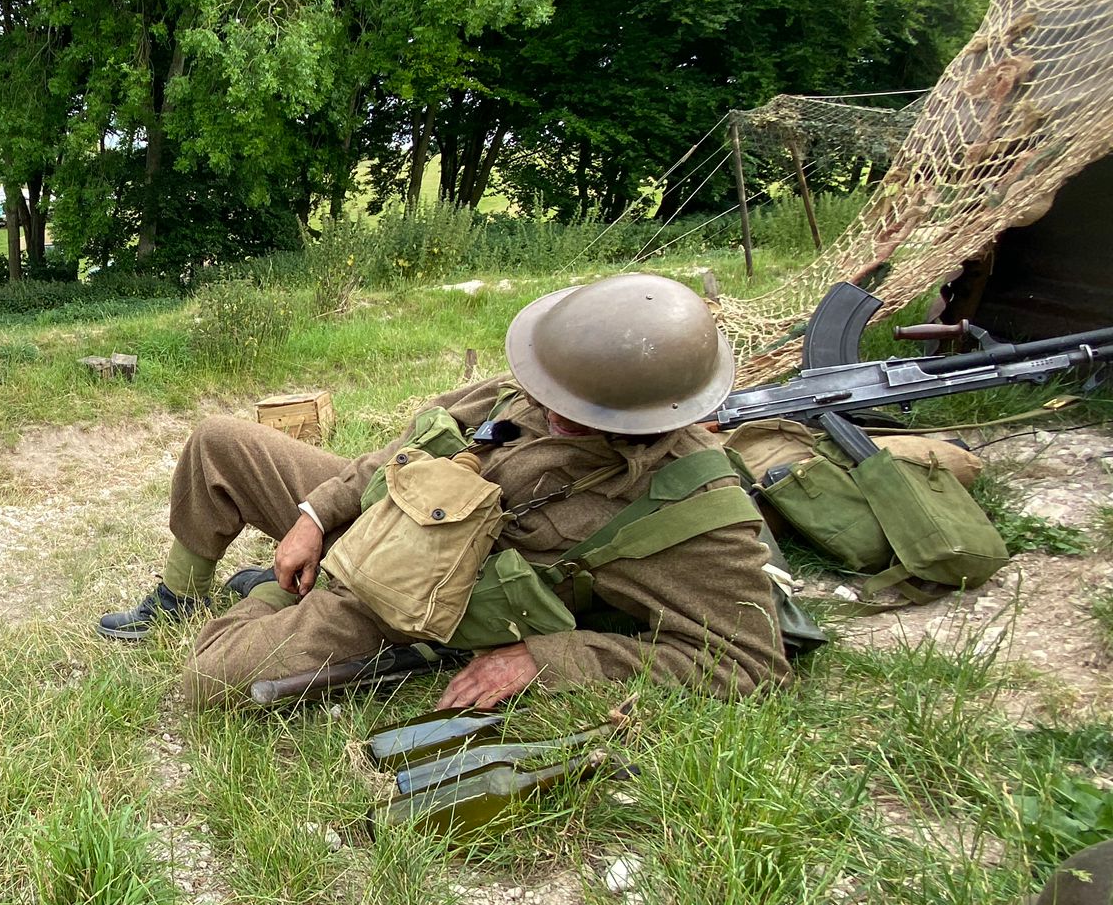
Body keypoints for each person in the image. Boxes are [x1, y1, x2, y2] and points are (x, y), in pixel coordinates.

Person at [97, 273, 791, 709]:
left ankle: (271, 592)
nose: (549, 408)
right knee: (219, 441)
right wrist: (316, 514)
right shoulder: (543, 386)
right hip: (386, 511)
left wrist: (548, 660)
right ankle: (178, 596)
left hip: (409, 602)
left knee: (208, 678)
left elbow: (750, 665)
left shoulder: (694, 513)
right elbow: (406, 448)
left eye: (577, 409)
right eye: (552, 390)